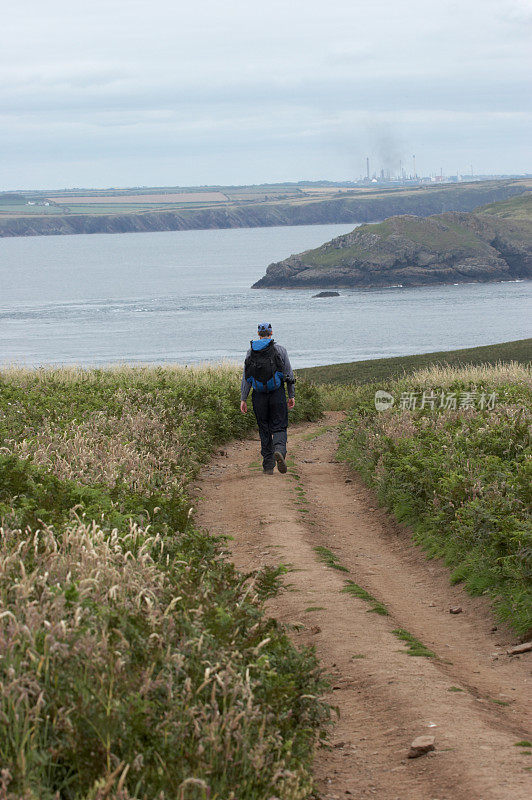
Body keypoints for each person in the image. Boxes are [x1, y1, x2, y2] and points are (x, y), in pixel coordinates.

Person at [240, 322, 295, 475]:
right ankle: (279, 450)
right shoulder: (280, 350)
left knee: (264, 429)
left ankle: (268, 466)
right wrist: (291, 395)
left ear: (259, 334)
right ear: (271, 333)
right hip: (277, 393)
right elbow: (289, 375)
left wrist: (243, 398)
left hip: (258, 396)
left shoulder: (250, 352)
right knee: (279, 426)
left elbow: (246, 378)